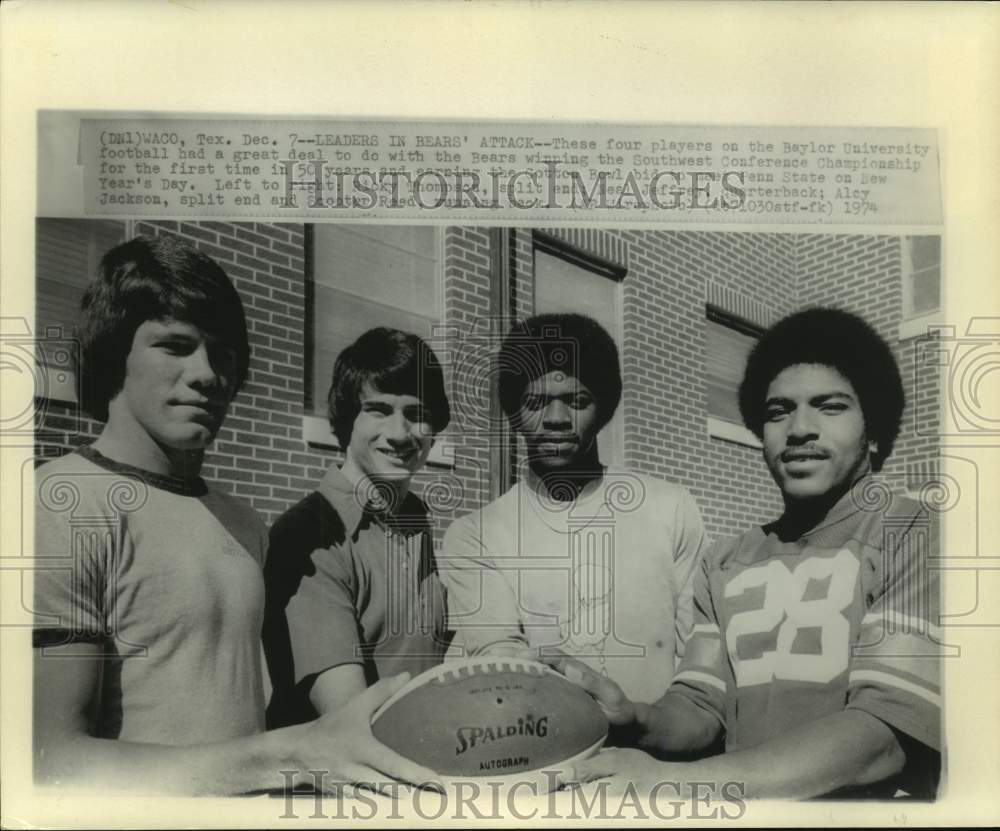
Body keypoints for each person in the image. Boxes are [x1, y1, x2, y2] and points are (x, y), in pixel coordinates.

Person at [32, 236, 438, 794]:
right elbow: (47, 764)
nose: (206, 374)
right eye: (175, 345)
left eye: (223, 355)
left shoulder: (244, 524)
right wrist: (292, 754)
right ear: (111, 354)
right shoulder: (60, 504)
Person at [553, 307, 941, 799]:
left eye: (830, 406)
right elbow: (701, 707)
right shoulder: (726, 560)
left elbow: (883, 735)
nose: (799, 428)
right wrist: (635, 716)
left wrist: (672, 784)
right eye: (778, 411)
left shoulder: (914, 532)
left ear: (875, 429)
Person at [440, 313, 708, 705]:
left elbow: (699, 661)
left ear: (604, 409)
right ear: (514, 412)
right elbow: (502, 671)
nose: (556, 420)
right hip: (548, 755)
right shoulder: (476, 535)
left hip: (659, 757)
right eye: (535, 402)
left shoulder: (669, 509)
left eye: (577, 401)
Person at [264, 327, 451, 727]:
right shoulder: (307, 536)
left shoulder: (418, 523)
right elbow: (350, 720)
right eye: (379, 410)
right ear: (347, 419)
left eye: (417, 414)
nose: (401, 434)